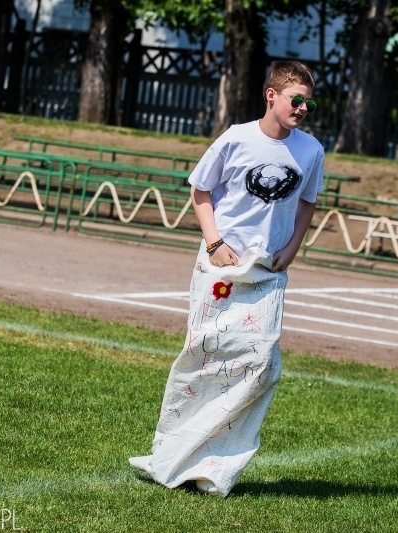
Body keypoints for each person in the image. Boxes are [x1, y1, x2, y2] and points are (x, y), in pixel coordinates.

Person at [129, 60, 325, 497]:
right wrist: (216, 244)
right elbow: (200, 190)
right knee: (203, 355)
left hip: (269, 269)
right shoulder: (236, 138)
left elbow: (308, 202)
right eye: (297, 99)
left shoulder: (311, 150)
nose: (303, 108)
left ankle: (216, 464)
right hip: (220, 264)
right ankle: (172, 456)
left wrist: (292, 247)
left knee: (260, 365)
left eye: (309, 101)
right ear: (270, 95)